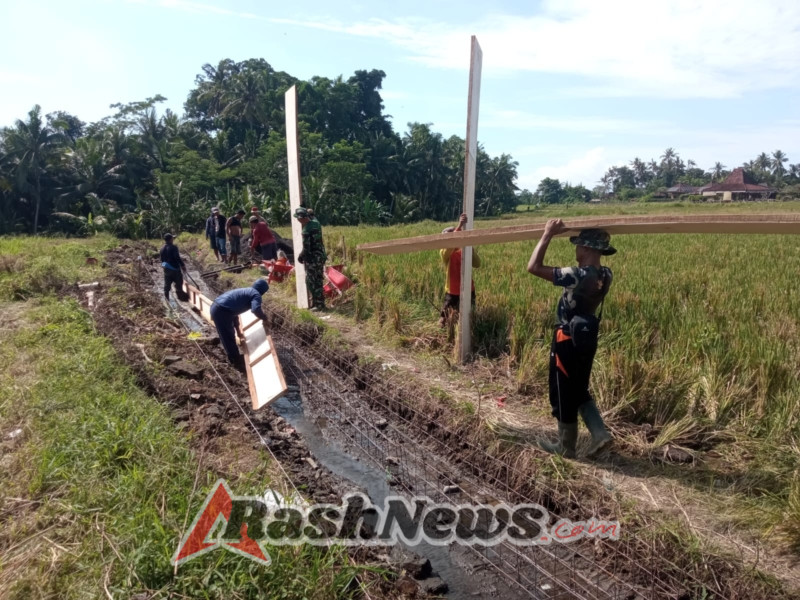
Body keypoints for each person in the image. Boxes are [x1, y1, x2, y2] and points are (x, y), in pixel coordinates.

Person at [527, 218, 615, 458]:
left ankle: (565, 447)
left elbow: (533, 267)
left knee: (562, 390)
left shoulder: (575, 275)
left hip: (566, 338)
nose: (575, 249)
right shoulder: (606, 274)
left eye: (578, 245)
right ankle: (600, 434)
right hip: (587, 338)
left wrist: (547, 234)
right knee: (579, 387)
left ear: (586, 248)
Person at [210, 279, 269, 371]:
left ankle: (234, 356)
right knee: (228, 336)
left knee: (227, 334)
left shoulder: (246, 291)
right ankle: (235, 361)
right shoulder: (256, 295)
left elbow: (235, 313)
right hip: (222, 311)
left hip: (216, 306)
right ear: (263, 291)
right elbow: (255, 309)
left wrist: (238, 331)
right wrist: (265, 318)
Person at [439, 213, 481, 328]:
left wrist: (470, 248)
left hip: (468, 288)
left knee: (470, 314)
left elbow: (477, 264)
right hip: (452, 290)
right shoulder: (444, 252)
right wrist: (460, 226)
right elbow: (450, 248)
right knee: (445, 316)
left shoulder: (465, 250)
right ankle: (443, 334)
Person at [293, 207, 327, 311]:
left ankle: (318, 305)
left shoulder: (306, 230)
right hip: (321, 256)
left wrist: (301, 256)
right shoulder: (316, 224)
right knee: (318, 280)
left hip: (313, 259)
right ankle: (319, 304)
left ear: (301, 218)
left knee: (311, 281)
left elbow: (307, 248)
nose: (297, 220)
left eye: (298, 218)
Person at [160, 233, 186, 301]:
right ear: (171, 239)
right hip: (174, 268)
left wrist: (164, 268)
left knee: (167, 284)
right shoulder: (174, 247)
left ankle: (167, 298)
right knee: (179, 282)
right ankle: (180, 298)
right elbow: (177, 257)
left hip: (166, 269)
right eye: (172, 238)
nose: (173, 239)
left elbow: (162, 260)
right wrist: (182, 265)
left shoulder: (162, 248)